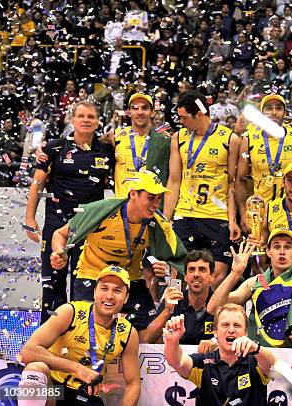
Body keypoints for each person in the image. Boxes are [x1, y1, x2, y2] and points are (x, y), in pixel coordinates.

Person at [49, 169, 187, 338]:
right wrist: (59, 252)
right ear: (133, 194)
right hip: (93, 276)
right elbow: (60, 234)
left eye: (159, 199)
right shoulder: (101, 212)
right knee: (84, 334)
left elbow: (178, 259)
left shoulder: (158, 224)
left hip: (130, 279)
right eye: (151, 198)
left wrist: (171, 282)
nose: (156, 204)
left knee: (150, 333)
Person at [24, 101, 114, 323]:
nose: (86, 120)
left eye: (91, 117)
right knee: (52, 285)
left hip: (90, 229)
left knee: (83, 286)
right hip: (56, 228)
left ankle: (78, 339)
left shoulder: (107, 151)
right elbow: (37, 183)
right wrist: (29, 218)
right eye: (81, 116)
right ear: (72, 120)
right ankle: (47, 340)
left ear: (98, 122)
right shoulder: (53, 148)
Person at [18, 266, 140, 406]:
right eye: (104, 288)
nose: (109, 296)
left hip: (87, 395)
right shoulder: (70, 312)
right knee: (35, 369)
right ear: (94, 292)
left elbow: (133, 383)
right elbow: (27, 352)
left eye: (117, 290)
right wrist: (76, 368)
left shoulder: (128, 332)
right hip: (54, 389)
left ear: (126, 297)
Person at [207, 229, 292, 348]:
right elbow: (213, 308)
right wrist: (235, 274)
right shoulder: (255, 282)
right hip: (260, 355)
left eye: (287, 247)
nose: (282, 252)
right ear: (268, 252)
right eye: (276, 247)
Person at [165, 90, 242, 287]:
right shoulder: (178, 138)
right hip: (186, 213)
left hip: (216, 215)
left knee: (216, 277)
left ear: (199, 114)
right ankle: (180, 316)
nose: (181, 122)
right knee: (181, 275)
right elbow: (174, 180)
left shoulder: (229, 139)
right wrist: (166, 219)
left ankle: (210, 317)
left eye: (184, 118)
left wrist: (233, 220)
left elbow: (233, 184)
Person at [163, 303, 276, 406]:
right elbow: (177, 362)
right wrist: (172, 341)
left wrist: (255, 348)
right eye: (225, 325)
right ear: (215, 331)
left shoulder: (256, 360)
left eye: (237, 325)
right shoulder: (204, 362)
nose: (231, 330)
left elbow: (272, 364)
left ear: (246, 332)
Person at [235, 93, 292, 233]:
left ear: (284, 112)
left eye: (278, 108)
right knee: (261, 254)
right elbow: (240, 180)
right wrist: (243, 213)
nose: (273, 112)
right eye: (268, 108)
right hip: (260, 212)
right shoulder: (250, 139)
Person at [104, 93, 171, 198]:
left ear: (152, 112)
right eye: (135, 108)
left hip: (150, 207)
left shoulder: (164, 141)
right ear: (129, 112)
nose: (140, 112)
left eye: (145, 108)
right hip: (123, 208)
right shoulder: (115, 136)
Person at [142, 249, 216, 344]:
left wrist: (214, 342)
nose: (196, 274)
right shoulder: (173, 299)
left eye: (202, 269)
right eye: (191, 270)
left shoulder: (218, 302)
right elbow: (148, 339)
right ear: (185, 276)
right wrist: (167, 310)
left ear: (212, 276)